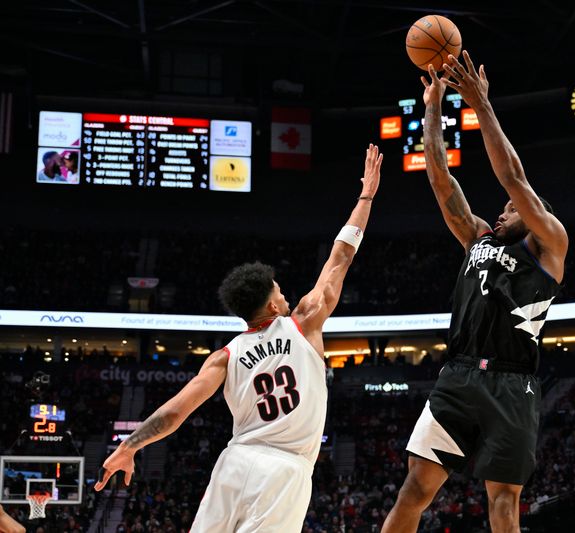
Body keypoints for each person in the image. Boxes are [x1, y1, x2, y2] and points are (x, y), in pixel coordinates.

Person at [94, 144, 383, 531]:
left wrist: (129, 446)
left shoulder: (223, 357)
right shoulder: (303, 321)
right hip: (284, 469)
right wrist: (366, 196)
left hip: (235, 462)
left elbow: (175, 412)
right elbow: (341, 256)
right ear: (274, 307)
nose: (285, 294)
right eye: (280, 291)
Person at [383, 50, 569, 533]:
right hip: (460, 375)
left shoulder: (549, 246)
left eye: (513, 209)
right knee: (415, 487)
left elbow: (513, 176)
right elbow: (440, 177)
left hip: (514, 384)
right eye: (503, 208)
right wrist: (433, 104)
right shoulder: (478, 237)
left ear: (533, 217)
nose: (503, 210)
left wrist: (480, 104)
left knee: (503, 504)